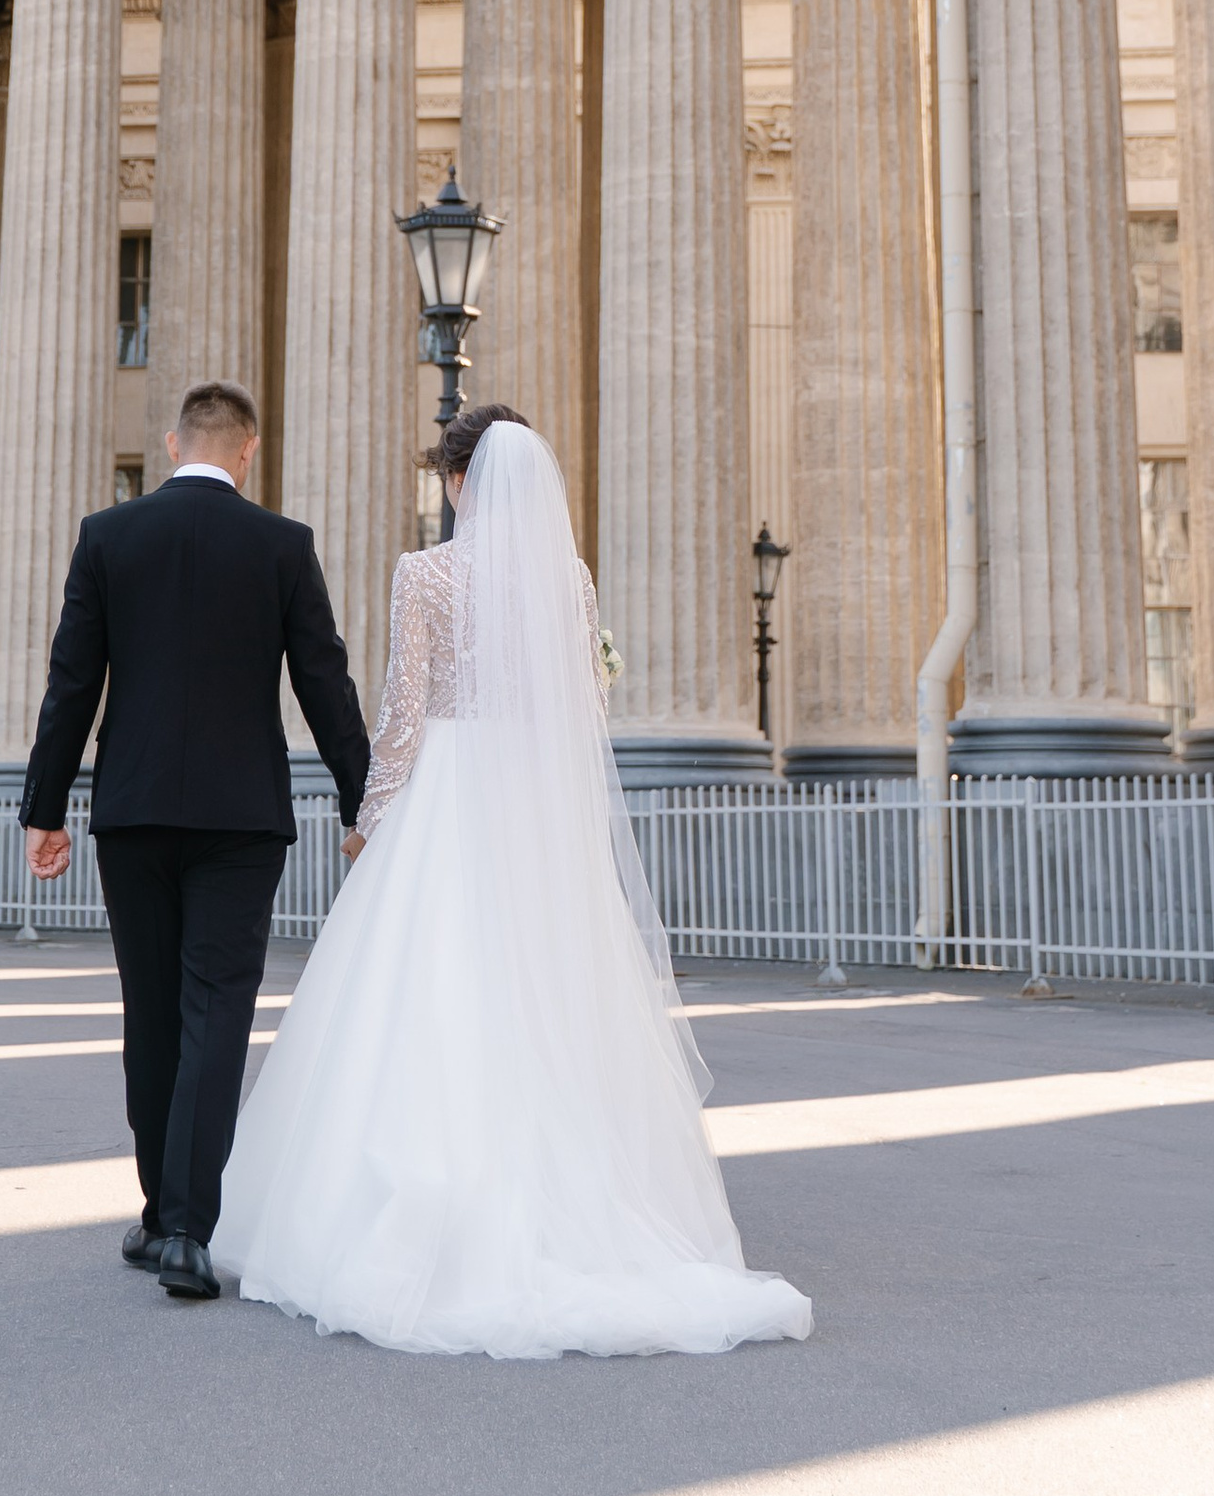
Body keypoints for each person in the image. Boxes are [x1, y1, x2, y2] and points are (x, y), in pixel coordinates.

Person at [213, 405, 813, 1359]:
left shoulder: (427, 573)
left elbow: (405, 712)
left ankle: (412, 1213)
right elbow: (583, 704)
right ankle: (577, 1211)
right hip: (529, 800)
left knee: (428, 989)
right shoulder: (565, 581)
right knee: (546, 993)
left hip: (447, 793)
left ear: (458, 483)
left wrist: (369, 820)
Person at [20, 378, 370, 1300]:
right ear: (247, 451)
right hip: (240, 819)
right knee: (215, 1013)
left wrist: (43, 811)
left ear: (175, 444)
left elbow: (71, 684)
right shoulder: (282, 546)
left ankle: (154, 1211)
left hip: (132, 813)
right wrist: (360, 802)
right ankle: (186, 1230)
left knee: (152, 1012)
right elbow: (324, 683)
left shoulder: (109, 536)